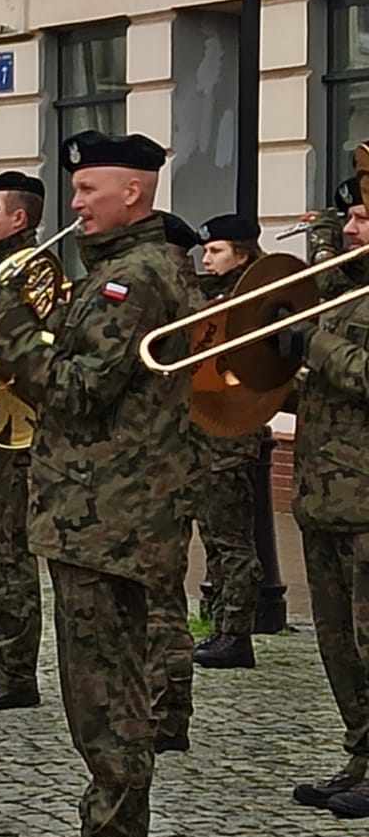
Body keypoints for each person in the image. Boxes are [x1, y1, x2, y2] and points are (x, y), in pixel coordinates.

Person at [0, 130, 201, 837]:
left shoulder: (134, 280)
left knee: (106, 693)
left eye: (90, 190)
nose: (77, 204)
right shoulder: (122, 273)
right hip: (99, 512)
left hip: (109, 514)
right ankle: (102, 836)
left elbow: (75, 389)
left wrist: (0, 319)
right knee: (96, 688)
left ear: (133, 193)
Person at [285, 189, 369, 817]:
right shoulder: (340, 292)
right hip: (322, 494)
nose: (351, 229)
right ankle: (362, 755)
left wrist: (312, 342)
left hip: (366, 501)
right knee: (338, 645)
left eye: (364, 218)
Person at [0, 170, 49, 709]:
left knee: (5, 558)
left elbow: (29, 350)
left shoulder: (32, 271)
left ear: (17, 218)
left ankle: (15, 664)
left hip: (7, 434)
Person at [188, 213, 265, 671]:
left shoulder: (253, 298)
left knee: (232, 540)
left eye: (216, 251)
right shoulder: (212, 294)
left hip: (230, 433)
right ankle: (217, 624)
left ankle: (235, 632)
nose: (207, 258)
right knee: (215, 538)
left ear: (242, 253)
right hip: (205, 431)